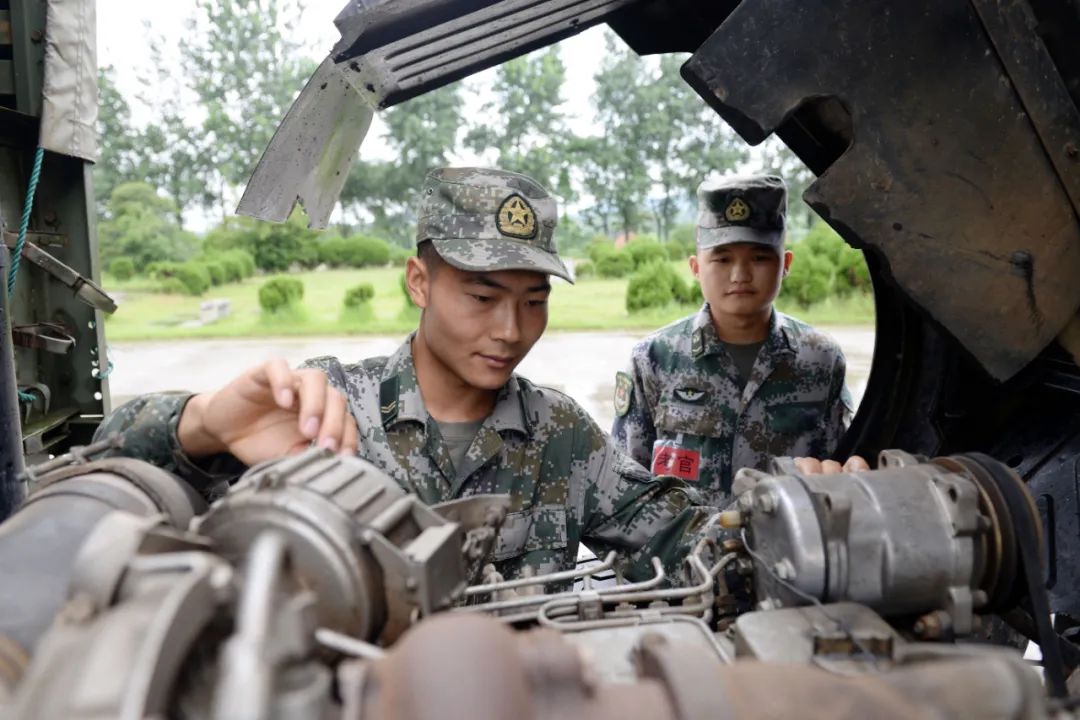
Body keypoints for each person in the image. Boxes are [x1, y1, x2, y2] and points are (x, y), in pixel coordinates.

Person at [94, 167, 713, 585]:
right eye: (481, 296)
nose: (510, 329)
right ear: (420, 281)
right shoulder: (326, 409)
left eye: (534, 300)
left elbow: (690, 541)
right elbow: (107, 472)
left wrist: (790, 507)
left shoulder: (561, 434)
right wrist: (201, 425)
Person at [612, 174, 861, 507]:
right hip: (686, 555)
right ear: (696, 267)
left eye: (759, 257)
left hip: (789, 550)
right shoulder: (653, 358)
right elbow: (624, 487)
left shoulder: (821, 359)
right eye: (722, 258)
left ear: (785, 264)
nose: (740, 275)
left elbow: (838, 471)